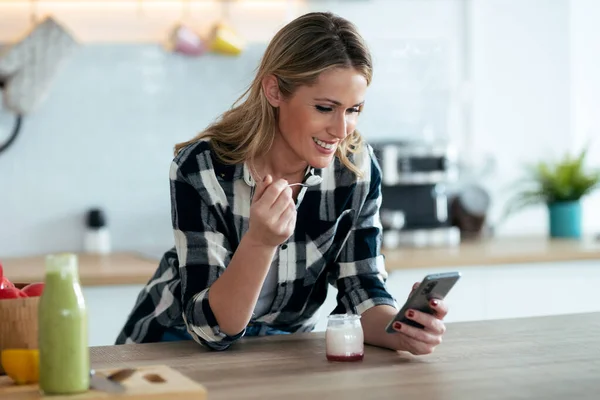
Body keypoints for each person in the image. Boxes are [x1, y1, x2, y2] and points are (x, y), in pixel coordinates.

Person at [116, 11, 449, 355]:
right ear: (274, 90)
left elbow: (362, 288)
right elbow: (210, 330)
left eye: (354, 110)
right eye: (324, 107)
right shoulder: (203, 168)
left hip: (277, 352)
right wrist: (259, 242)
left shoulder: (355, 167)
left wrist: (402, 330)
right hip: (171, 346)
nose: (341, 129)